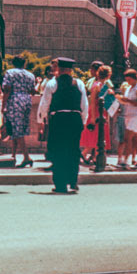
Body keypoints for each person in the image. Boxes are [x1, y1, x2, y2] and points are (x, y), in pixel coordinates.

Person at [39, 57, 88, 193]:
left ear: (59, 69)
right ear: (70, 70)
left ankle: (60, 184)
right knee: (74, 150)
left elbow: (45, 103)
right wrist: (83, 121)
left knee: (58, 151)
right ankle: (73, 181)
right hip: (75, 118)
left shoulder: (52, 84)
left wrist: (42, 120)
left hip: (59, 119)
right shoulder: (79, 83)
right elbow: (84, 104)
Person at [0, 55, 36, 167]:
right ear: (24, 64)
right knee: (18, 128)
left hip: (14, 100)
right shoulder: (30, 75)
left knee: (16, 129)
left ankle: (26, 157)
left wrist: (4, 105)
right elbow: (33, 91)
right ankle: (13, 156)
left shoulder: (10, 73)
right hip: (26, 100)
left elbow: (7, 89)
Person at [115, 69, 137, 169]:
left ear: (134, 78)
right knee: (135, 139)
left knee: (127, 138)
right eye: (127, 80)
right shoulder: (129, 88)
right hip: (129, 115)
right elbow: (126, 102)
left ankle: (125, 160)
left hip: (136, 116)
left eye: (129, 80)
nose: (128, 82)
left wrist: (128, 100)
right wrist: (121, 99)